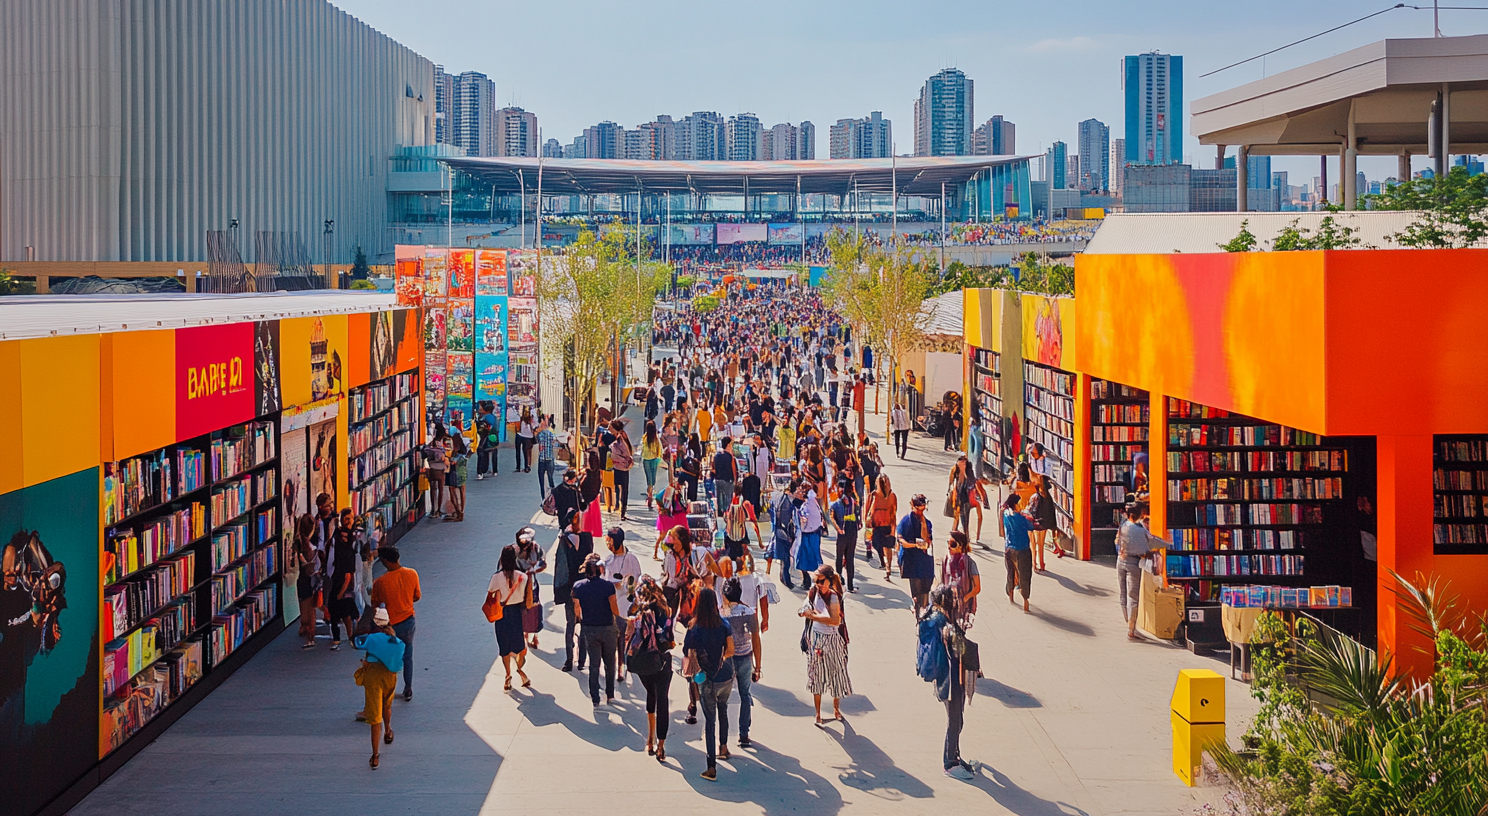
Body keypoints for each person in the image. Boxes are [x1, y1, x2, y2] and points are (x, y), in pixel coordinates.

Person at [920, 585, 979, 780]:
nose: (956, 601)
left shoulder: (932, 616)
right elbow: (961, 650)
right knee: (955, 720)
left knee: (957, 718)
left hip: (945, 677)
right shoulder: (944, 624)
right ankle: (950, 763)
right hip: (951, 679)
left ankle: (955, 755)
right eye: (953, 598)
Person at [683, 588, 734, 781]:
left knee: (710, 722)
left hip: (705, 679)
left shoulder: (694, 627)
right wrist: (720, 657)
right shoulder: (724, 624)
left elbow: (686, 650)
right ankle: (724, 747)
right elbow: (731, 649)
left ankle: (711, 767)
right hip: (726, 676)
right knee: (724, 709)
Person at [627, 577, 675, 762]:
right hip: (661, 659)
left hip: (641, 661)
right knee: (662, 699)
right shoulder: (664, 609)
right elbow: (668, 637)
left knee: (650, 694)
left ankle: (649, 738)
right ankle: (661, 744)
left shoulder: (636, 609)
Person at [354, 607, 405, 770]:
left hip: (374, 676)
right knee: (386, 706)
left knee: (375, 717)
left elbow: (357, 642)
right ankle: (388, 730)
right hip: (390, 676)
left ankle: (375, 755)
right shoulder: (396, 641)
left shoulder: (372, 638)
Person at [369, 546, 420, 700]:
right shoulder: (412, 574)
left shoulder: (380, 582)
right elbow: (417, 596)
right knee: (407, 655)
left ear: (384, 561)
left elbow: (375, 605)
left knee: (388, 658)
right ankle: (408, 688)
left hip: (390, 624)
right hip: (409, 621)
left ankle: (387, 690)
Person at [801, 565, 851, 725]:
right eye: (816, 581)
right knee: (816, 675)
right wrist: (804, 611)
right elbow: (806, 605)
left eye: (821, 581)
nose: (817, 584)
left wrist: (815, 617)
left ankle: (836, 709)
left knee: (836, 673)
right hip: (816, 639)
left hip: (833, 640)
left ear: (829, 581)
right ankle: (817, 713)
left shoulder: (834, 597)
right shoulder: (813, 591)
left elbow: (835, 620)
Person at [720, 576, 762, 749]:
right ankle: (744, 734)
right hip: (745, 657)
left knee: (723, 698)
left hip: (727, 659)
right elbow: (756, 640)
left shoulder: (722, 614)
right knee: (745, 694)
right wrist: (758, 666)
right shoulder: (750, 612)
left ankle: (723, 739)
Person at [572, 553, 620, 706]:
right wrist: (617, 619)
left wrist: (579, 620)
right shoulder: (608, 586)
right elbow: (614, 607)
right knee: (610, 661)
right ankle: (610, 693)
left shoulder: (578, 586)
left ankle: (595, 697)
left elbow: (577, 608)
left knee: (594, 663)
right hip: (607, 626)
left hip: (590, 628)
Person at [553, 511, 594, 673]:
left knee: (579, 625)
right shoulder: (567, 539)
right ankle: (571, 659)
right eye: (578, 518)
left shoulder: (582, 537)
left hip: (582, 589)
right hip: (574, 589)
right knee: (573, 625)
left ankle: (580, 659)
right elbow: (561, 567)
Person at [1116, 504, 1165, 640]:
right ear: (1140, 514)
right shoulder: (1139, 529)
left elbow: (1117, 540)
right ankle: (1131, 629)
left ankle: (1128, 622)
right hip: (1133, 563)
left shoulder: (1124, 525)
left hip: (1120, 560)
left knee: (1123, 593)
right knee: (1133, 596)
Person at [487, 545, 531, 691]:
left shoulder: (496, 577)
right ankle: (520, 670)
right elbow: (526, 598)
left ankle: (507, 675)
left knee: (504, 647)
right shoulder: (522, 577)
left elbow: (490, 594)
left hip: (502, 614)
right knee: (520, 648)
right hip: (517, 613)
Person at [602, 526, 642, 681]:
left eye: (610, 541)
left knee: (622, 640)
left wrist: (625, 586)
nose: (608, 545)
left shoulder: (631, 559)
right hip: (610, 605)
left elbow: (636, 580)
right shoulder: (607, 560)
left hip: (625, 605)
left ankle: (622, 667)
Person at [326, 508, 360, 651]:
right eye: (346, 519)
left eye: (350, 519)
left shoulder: (354, 537)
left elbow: (349, 572)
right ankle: (339, 638)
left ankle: (350, 635)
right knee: (337, 609)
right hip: (338, 575)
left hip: (347, 578)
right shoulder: (338, 536)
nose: (348, 522)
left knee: (346, 608)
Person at [896, 495, 936, 615]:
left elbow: (927, 540)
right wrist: (914, 545)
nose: (920, 512)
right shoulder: (905, 521)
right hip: (911, 560)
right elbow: (901, 540)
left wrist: (923, 523)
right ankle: (919, 612)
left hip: (925, 561)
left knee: (926, 588)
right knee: (917, 591)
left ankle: (922, 609)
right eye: (918, 509)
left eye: (923, 509)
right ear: (912, 506)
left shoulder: (927, 523)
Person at [1001, 494, 1035, 613]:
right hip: (1022, 548)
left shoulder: (1006, 514)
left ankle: (1010, 594)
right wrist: (1029, 515)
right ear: (1016, 504)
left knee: (1011, 572)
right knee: (1025, 575)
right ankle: (1025, 601)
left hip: (1009, 548)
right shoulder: (1021, 518)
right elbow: (1031, 526)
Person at [514, 527, 547, 648]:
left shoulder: (535, 548)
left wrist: (532, 570)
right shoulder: (517, 551)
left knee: (532, 608)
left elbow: (543, 563)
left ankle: (533, 636)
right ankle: (528, 633)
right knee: (527, 609)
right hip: (524, 584)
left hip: (529, 584)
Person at [939, 532, 981, 627]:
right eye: (948, 543)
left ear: (960, 546)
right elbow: (942, 581)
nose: (949, 547)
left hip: (963, 608)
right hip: (947, 605)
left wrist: (963, 599)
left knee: (957, 634)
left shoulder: (970, 563)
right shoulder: (946, 560)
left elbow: (977, 588)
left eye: (952, 544)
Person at [293, 514, 321, 648]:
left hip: (303, 579)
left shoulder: (298, 543)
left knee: (304, 605)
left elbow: (294, 562)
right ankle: (311, 633)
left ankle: (305, 627)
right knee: (312, 609)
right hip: (314, 578)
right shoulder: (315, 541)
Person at [829, 479, 860, 593]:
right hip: (851, 532)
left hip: (844, 533)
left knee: (839, 557)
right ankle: (850, 585)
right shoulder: (852, 501)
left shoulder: (837, 504)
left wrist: (838, 529)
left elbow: (832, 517)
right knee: (850, 558)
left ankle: (839, 580)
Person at [792, 481, 825, 589]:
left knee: (804, 558)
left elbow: (804, 520)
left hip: (808, 534)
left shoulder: (807, 505)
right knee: (813, 557)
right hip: (814, 532)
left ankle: (808, 581)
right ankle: (813, 580)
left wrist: (800, 523)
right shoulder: (813, 502)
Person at [865, 474, 898, 578]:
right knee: (878, 544)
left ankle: (888, 567)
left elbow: (894, 511)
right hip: (876, 525)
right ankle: (884, 562)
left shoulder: (892, 496)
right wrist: (867, 523)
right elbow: (867, 511)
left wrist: (893, 528)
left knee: (888, 546)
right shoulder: (873, 495)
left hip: (887, 523)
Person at [768, 478, 799, 589]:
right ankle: (787, 580)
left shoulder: (778, 496)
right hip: (785, 531)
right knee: (786, 558)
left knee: (783, 557)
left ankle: (782, 577)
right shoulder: (789, 501)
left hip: (778, 530)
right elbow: (787, 519)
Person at [1028, 478, 1059, 569]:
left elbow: (1030, 510)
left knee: (1033, 544)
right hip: (1044, 523)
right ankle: (1042, 563)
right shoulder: (1048, 498)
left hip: (1034, 523)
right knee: (1041, 544)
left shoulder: (1034, 497)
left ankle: (1034, 563)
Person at [721, 492, 761, 562]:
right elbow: (753, 521)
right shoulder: (743, 504)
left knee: (739, 556)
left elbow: (753, 521)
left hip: (735, 534)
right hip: (736, 534)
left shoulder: (742, 504)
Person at [608, 419, 635, 521]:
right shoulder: (620, 437)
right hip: (618, 466)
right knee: (619, 488)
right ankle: (619, 507)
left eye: (611, 428)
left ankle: (622, 510)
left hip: (622, 466)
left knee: (623, 489)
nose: (609, 430)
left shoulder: (621, 439)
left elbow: (627, 453)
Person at [423, 423, 450, 519]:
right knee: (441, 489)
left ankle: (432, 510)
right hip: (441, 469)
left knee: (433, 489)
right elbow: (443, 456)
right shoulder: (441, 444)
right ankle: (438, 509)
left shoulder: (431, 443)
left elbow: (425, 454)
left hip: (432, 468)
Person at [641, 420, 665, 511]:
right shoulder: (656, 439)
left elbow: (642, 448)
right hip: (654, 460)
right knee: (653, 479)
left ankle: (649, 495)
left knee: (649, 479)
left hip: (646, 460)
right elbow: (660, 449)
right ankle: (650, 496)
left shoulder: (644, 438)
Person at [947, 456, 974, 536]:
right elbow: (951, 482)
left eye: (964, 463)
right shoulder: (954, 469)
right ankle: (953, 532)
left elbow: (971, 483)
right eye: (960, 462)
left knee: (965, 517)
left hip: (966, 497)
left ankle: (966, 534)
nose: (962, 464)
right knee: (956, 516)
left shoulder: (969, 471)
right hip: (957, 496)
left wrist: (964, 473)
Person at [445, 433, 469, 522]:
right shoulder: (464, 450)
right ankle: (462, 511)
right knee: (462, 492)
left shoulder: (456, 451)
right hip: (463, 473)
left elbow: (453, 462)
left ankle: (458, 512)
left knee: (452, 491)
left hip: (456, 473)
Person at [711, 435, 737, 516]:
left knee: (719, 497)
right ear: (728, 445)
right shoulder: (730, 456)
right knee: (728, 498)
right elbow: (733, 470)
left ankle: (720, 512)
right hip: (728, 480)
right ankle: (727, 513)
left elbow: (713, 468)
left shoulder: (716, 455)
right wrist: (735, 480)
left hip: (718, 480)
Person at [535, 416, 559, 499]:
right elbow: (555, 444)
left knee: (542, 482)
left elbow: (539, 445)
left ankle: (543, 499)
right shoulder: (552, 434)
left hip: (542, 459)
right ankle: (554, 498)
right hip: (549, 459)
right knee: (550, 479)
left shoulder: (540, 434)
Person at [475, 402, 499, 480]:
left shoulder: (486, 418)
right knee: (493, 453)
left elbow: (482, 429)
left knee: (481, 453)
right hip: (493, 438)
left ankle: (480, 471)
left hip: (484, 439)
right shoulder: (494, 417)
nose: (479, 409)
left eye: (481, 407)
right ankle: (494, 470)